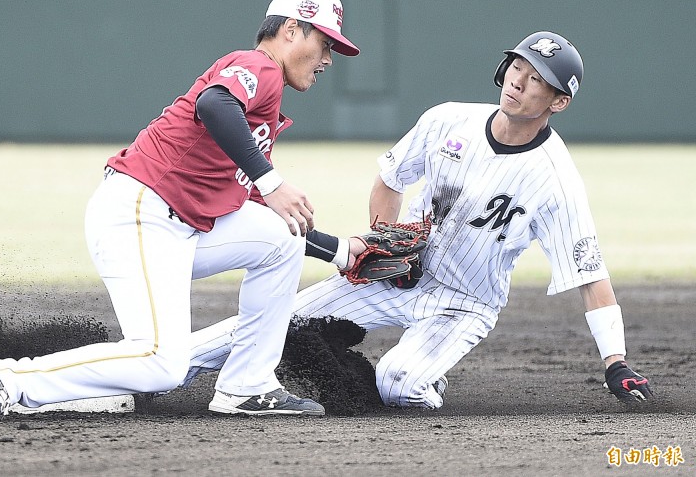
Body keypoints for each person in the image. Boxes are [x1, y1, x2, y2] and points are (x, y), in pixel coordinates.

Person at [185, 31, 653, 408]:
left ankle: (426, 382)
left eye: (536, 79)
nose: (519, 81)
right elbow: (390, 178)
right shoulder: (448, 121)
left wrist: (616, 362)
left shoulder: (556, 180)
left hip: (464, 303)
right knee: (275, 321)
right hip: (397, 278)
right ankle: (154, 369)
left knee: (397, 384)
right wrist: (382, 242)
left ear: (558, 101)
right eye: (518, 67)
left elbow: (590, 276)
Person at [0, 0, 360, 420]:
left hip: (172, 226)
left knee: (279, 242)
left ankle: (248, 386)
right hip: (140, 213)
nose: (328, 59)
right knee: (160, 363)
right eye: (325, 43)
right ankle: (11, 380)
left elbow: (258, 202)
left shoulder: (262, 101)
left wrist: (341, 251)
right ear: (291, 30)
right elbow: (214, 105)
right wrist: (270, 179)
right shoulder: (259, 66)